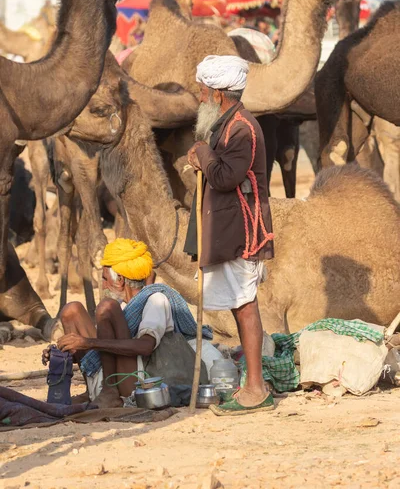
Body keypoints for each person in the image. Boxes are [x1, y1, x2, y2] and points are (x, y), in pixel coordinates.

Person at [184, 54, 275, 415]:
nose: (201, 97)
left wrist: (204, 155)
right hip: (228, 227)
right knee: (240, 305)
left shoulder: (242, 130)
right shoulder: (226, 124)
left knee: (245, 303)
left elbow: (225, 177)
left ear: (219, 93)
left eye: (203, 91)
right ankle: (251, 385)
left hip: (243, 230)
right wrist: (202, 155)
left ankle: (256, 389)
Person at [46, 239, 209, 407]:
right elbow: (101, 349)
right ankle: (92, 392)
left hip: (137, 382)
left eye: (105, 279)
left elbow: (146, 346)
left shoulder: (156, 300)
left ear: (121, 280)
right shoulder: (124, 307)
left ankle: (110, 392)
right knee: (72, 310)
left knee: (107, 307)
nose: (103, 285)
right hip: (111, 375)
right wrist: (63, 352)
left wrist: (88, 342)